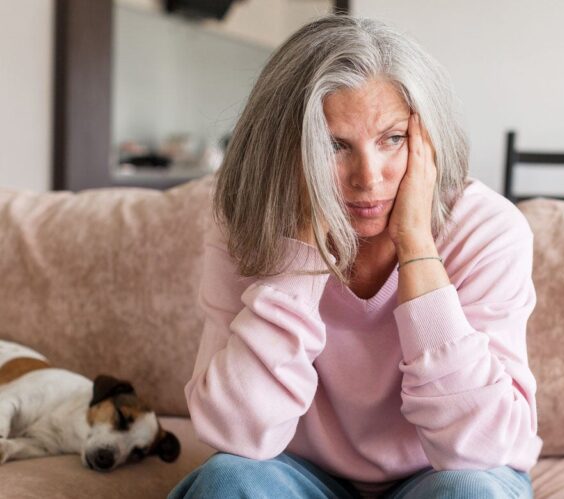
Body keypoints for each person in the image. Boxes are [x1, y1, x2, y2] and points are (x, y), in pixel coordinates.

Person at [169, 14, 542, 499]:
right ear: (288, 150)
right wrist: (300, 250)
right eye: (334, 145)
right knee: (228, 481)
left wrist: (417, 247)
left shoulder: (487, 228)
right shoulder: (243, 225)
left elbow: (481, 447)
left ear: (427, 140)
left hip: (439, 474)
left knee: (473, 493)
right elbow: (236, 433)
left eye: (392, 139)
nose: (369, 178)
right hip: (299, 475)